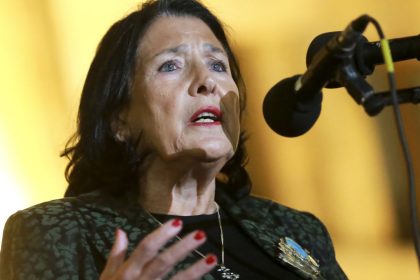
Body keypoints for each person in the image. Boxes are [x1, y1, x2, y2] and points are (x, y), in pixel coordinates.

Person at [0, 0, 347, 279]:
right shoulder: (56, 232)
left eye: (217, 65)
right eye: (171, 65)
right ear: (119, 119)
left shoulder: (298, 229)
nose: (206, 82)